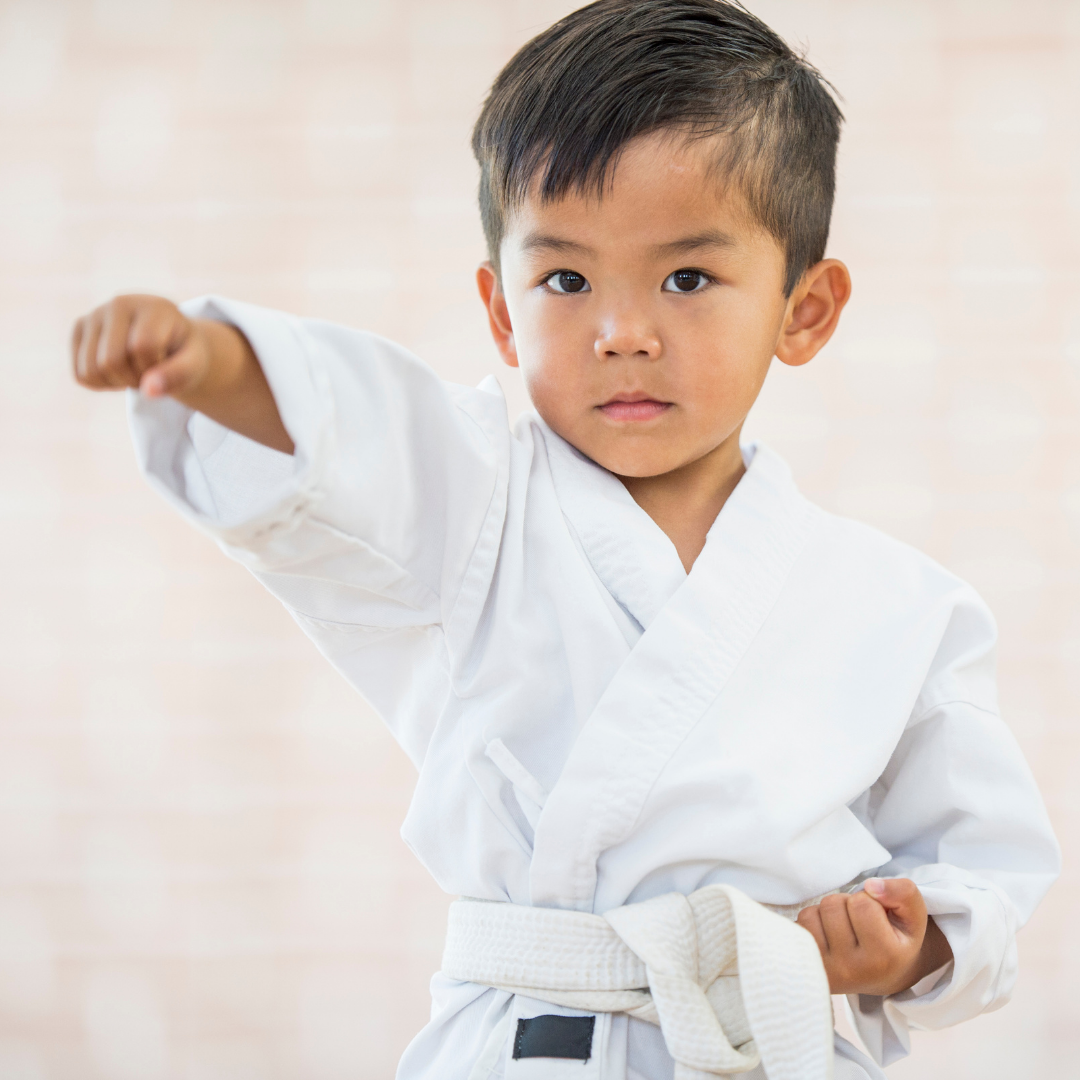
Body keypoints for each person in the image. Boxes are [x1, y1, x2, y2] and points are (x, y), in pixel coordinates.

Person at [70, 2, 1059, 1078]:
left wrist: (907, 947)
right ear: (502, 313)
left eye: (687, 278)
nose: (621, 330)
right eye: (566, 280)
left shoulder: (904, 609)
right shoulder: (473, 500)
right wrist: (211, 359)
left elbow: (982, 873)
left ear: (804, 310)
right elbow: (353, 433)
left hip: (774, 1042)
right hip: (531, 1042)